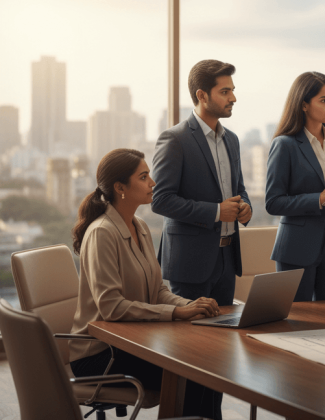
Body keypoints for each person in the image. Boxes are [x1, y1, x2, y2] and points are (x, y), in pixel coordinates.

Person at [69, 149, 220, 415]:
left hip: (133, 342)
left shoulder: (140, 226)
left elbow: (158, 291)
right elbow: (112, 308)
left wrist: (190, 305)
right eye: (143, 176)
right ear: (120, 187)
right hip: (100, 356)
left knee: (210, 363)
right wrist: (176, 312)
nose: (153, 183)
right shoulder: (102, 233)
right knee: (194, 370)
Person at [151, 59, 251, 419]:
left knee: (219, 358)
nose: (233, 97)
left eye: (232, 90)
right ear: (201, 95)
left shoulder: (233, 140)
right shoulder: (175, 139)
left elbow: (238, 191)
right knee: (192, 357)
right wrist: (214, 211)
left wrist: (245, 209)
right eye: (225, 91)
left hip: (226, 260)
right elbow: (160, 200)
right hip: (191, 263)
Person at [266, 72, 325, 301]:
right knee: (297, 320)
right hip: (298, 246)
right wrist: (318, 199)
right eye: (324, 100)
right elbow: (273, 202)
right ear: (304, 104)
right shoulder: (285, 145)